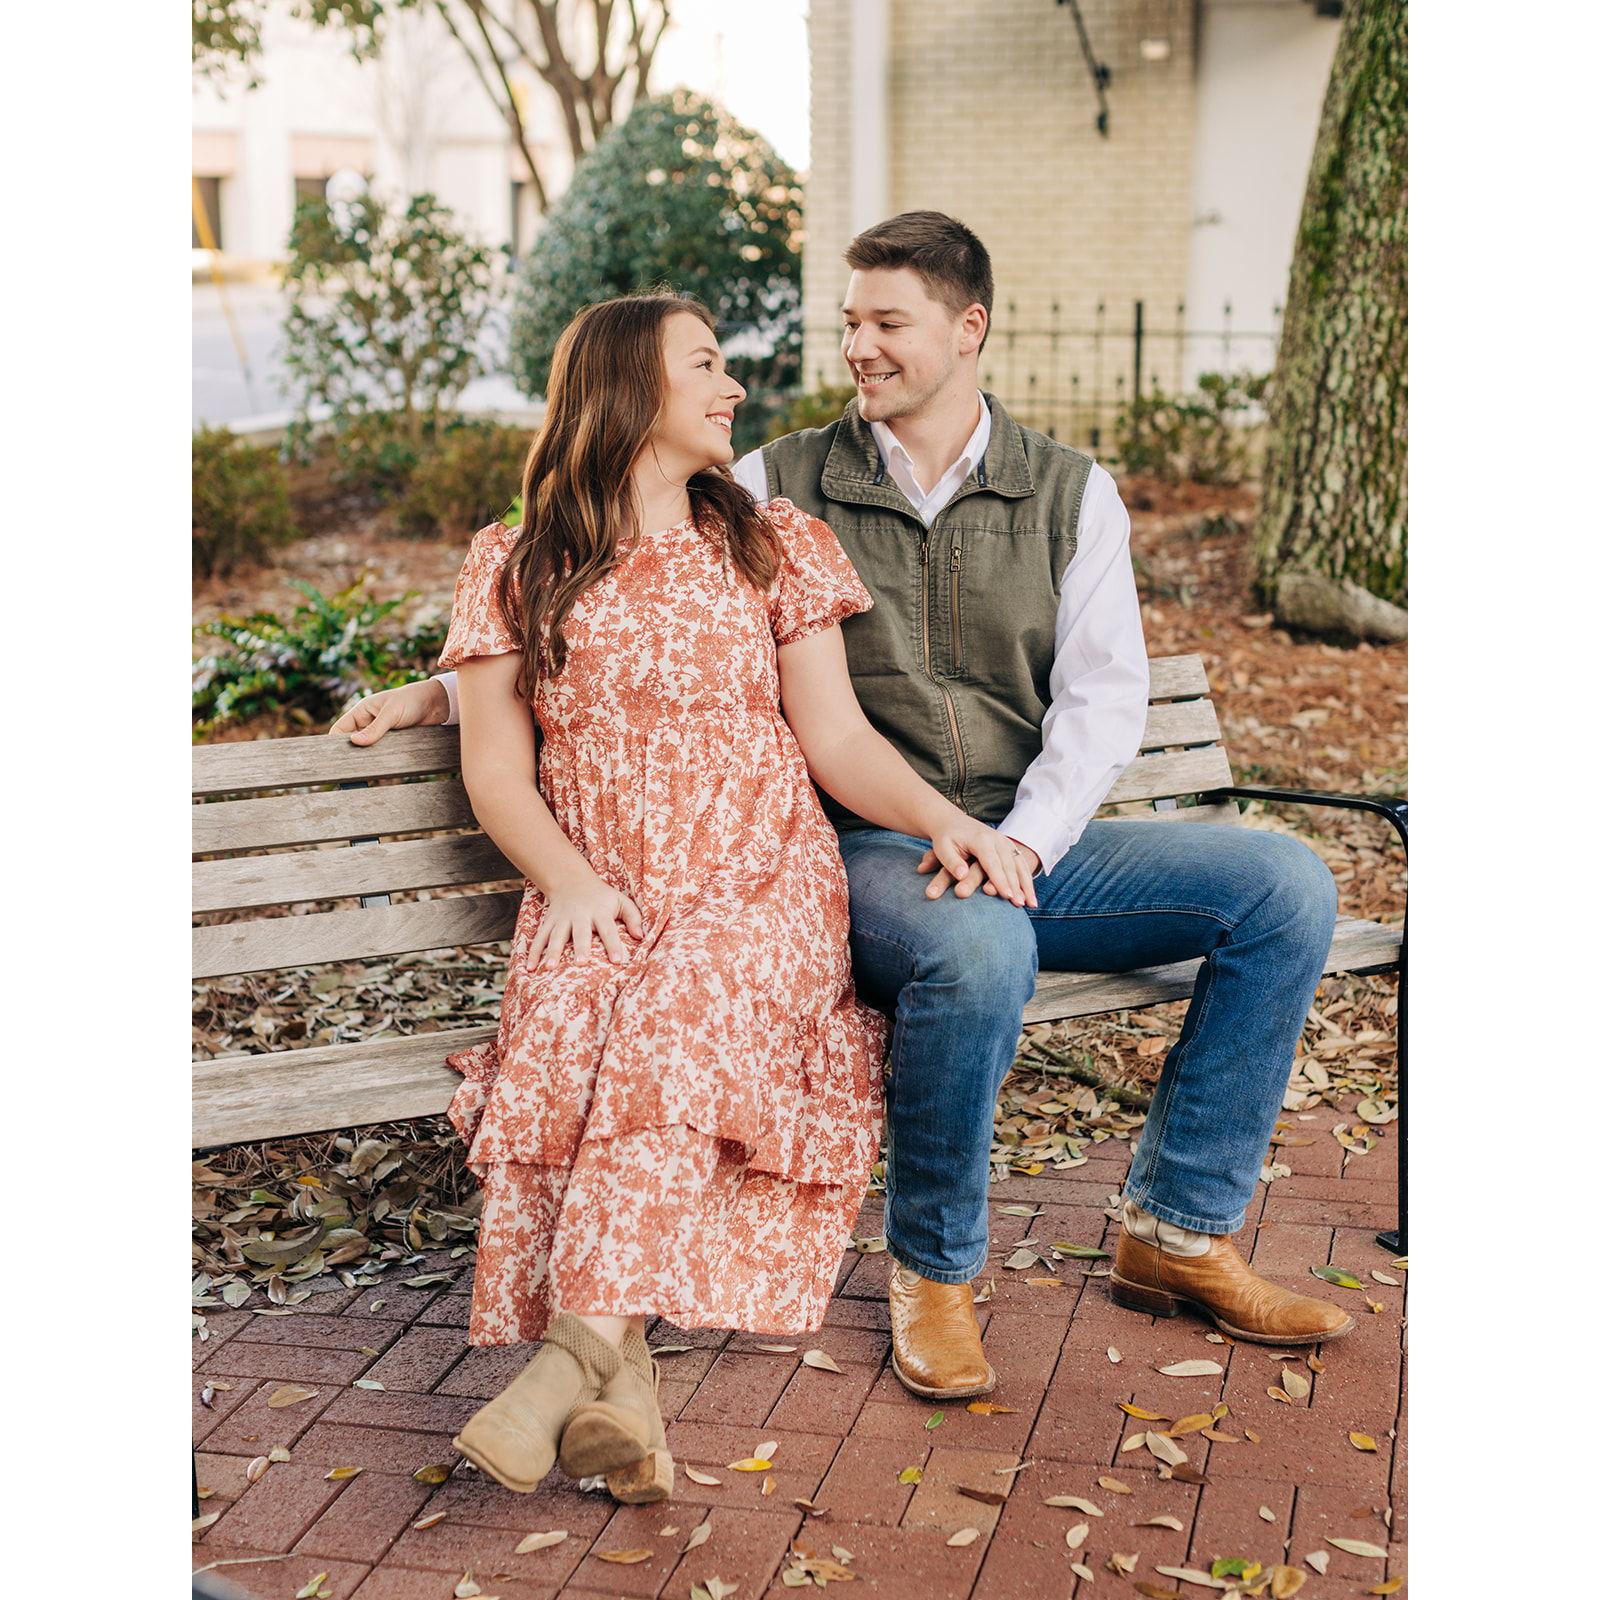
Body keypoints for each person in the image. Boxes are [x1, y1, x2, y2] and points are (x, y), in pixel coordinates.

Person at [337, 212, 1354, 1407]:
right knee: (976, 948)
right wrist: (444, 691)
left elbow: (1103, 699)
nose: (857, 347)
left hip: (1019, 836)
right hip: (866, 844)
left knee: (1283, 887)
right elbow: (626, 607)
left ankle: (1177, 1229)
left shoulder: (1071, 495)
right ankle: (935, 1271)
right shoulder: (769, 484)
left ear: (967, 329)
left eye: (886, 323)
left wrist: (1019, 841)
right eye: (849, 323)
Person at [410, 289, 1034, 1506]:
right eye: (703, 364)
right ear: (627, 388)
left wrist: (946, 820)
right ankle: (623, 1402)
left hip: (758, 882)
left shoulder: (767, 542)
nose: (731, 385)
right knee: (579, 1031)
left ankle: (563, 1359)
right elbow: (495, 768)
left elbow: (836, 739)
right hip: (599, 889)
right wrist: (570, 881)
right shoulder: (516, 561)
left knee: (672, 1018)